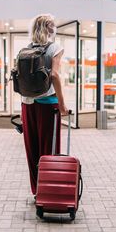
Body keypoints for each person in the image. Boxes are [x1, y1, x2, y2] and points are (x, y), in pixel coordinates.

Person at [21, 14, 68, 197]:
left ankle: (36, 190)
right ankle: (49, 191)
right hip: (48, 105)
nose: (54, 26)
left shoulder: (27, 48)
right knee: (48, 149)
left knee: (32, 149)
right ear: (48, 27)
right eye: (53, 24)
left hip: (27, 104)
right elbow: (55, 75)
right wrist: (62, 105)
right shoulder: (55, 47)